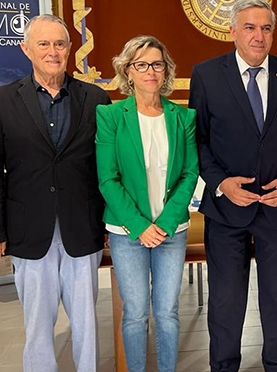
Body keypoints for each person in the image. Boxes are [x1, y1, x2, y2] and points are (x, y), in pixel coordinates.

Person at [0, 14, 110, 371]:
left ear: (70, 49)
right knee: (37, 325)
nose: (53, 51)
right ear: (26, 49)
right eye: (44, 44)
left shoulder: (96, 98)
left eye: (60, 43)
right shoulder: (2, 100)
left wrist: (111, 224)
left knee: (86, 322)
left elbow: (107, 169)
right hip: (28, 231)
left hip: (82, 228)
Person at [188, 0, 277, 372]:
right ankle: (224, 367)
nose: (259, 36)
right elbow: (199, 141)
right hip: (227, 209)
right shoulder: (206, 74)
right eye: (250, 27)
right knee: (226, 300)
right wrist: (222, 183)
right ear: (233, 32)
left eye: (266, 28)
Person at [95, 35, 198, 372]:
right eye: (141, 64)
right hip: (128, 233)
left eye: (157, 64)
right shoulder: (111, 116)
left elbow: (189, 173)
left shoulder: (183, 117)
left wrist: (165, 223)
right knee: (136, 313)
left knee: (167, 312)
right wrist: (140, 226)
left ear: (166, 70)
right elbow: (108, 178)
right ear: (128, 71)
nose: (150, 71)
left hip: (172, 230)